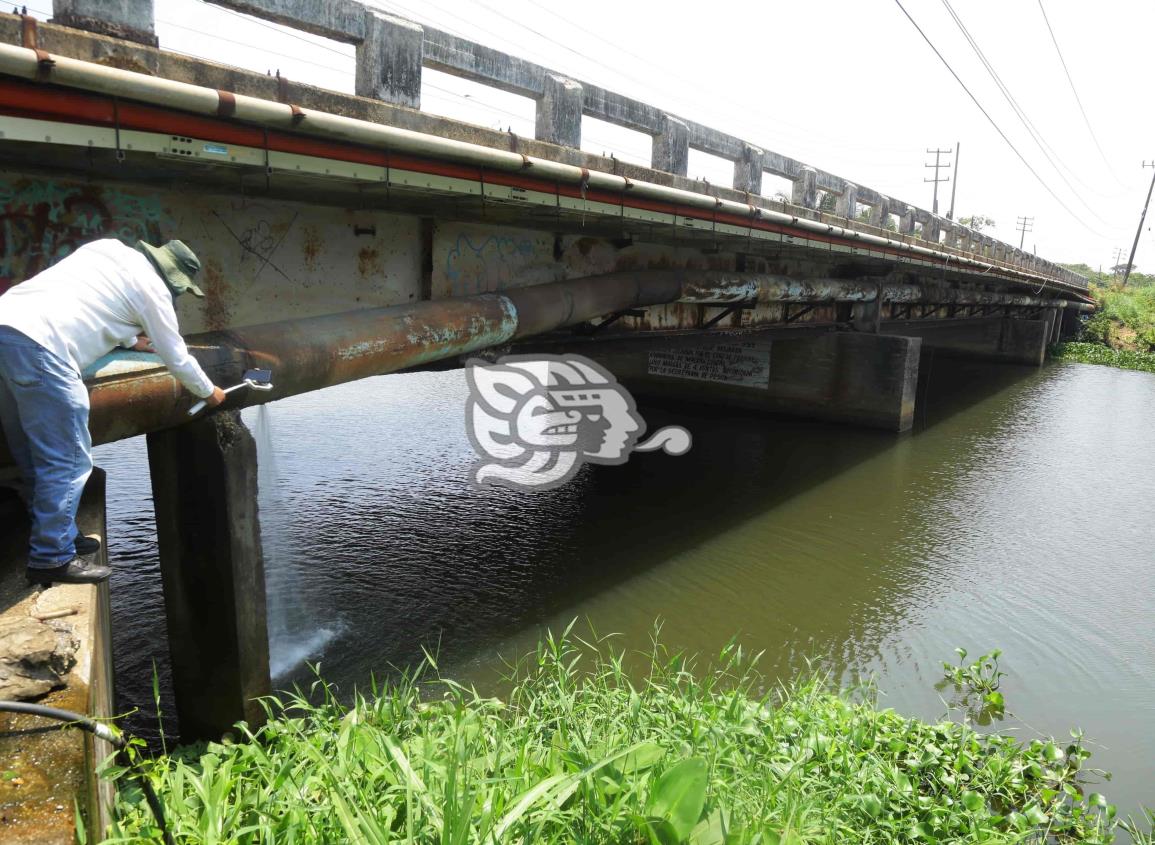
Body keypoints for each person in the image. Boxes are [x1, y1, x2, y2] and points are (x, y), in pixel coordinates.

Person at [0, 238, 227, 586]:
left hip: (7, 329)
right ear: (174, 280)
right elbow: (176, 356)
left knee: (32, 452)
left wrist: (128, 340)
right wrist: (208, 391)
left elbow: (88, 303)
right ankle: (51, 557)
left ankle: (61, 533)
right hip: (43, 346)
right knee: (69, 459)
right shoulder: (154, 290)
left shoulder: (107, 249)